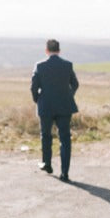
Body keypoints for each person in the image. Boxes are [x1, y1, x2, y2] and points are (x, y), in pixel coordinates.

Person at [30, 39, 79, 181]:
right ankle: (65, 173)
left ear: (46, 50)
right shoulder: (67, 65)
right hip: (65, 106)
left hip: (46, 106)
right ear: (59, 50)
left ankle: (47, 164)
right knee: (65, 139)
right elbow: (75, 84)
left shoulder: (40, 66)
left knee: (46, 136)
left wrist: (38, 99)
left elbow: (33, 87)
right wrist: (68, 95)